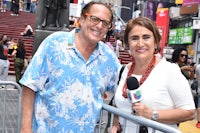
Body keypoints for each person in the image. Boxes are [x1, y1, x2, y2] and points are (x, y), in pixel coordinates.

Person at [19, 1, 121, 133]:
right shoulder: (54, 43)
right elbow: (30, 85)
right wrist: (25, 129)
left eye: (105, 23)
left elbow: (122, 91)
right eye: (94, 19)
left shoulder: (108, 57)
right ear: (82, 19)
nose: (99, 26)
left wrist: (115, 122)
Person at [108, 17, 195, 133]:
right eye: (134, 38)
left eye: (146, 37)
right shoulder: (122, 70)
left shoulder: (170, 70)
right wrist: (115, 126)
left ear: (156, 42)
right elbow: (117, 106)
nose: (140, 43)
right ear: (127, 43)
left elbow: (189, 112)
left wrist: (152, 114)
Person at [194, 64, 200, 128]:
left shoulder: (198, 66)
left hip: (199, 89)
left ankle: (199, 122)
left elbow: (197, 78)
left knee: (199, 106)